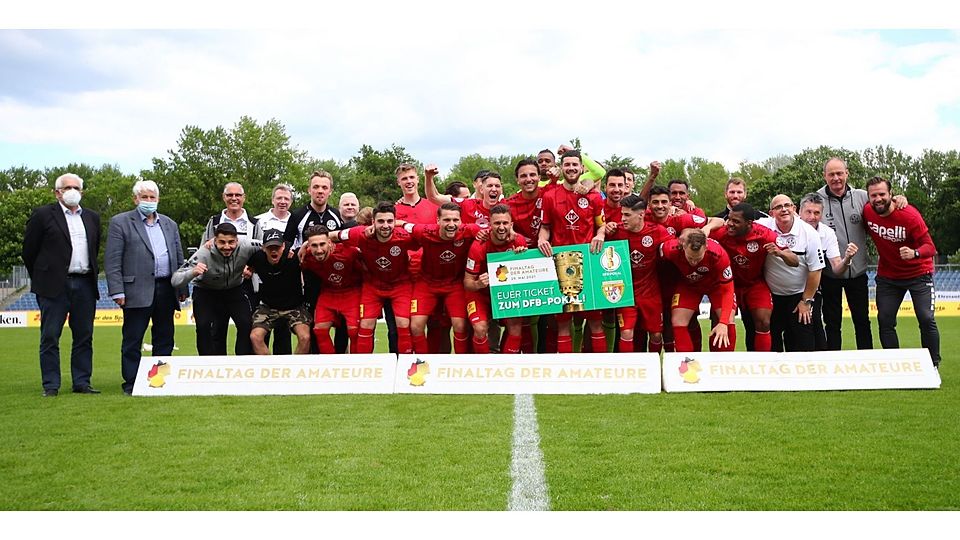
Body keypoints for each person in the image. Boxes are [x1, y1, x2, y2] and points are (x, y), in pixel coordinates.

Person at [105, 180, 188, 395]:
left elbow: (178, 258)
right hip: (135, 290)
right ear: (136, 199)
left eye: (152, 197)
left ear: (158, 199)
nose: (149, 201)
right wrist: (117, 290)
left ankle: (160, 381)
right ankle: (132, 382)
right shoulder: (120, 222)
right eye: (144, 197)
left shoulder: (169, 224)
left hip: (166, 288)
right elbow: (113, 260)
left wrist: (182, 287)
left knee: (165, 338)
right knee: (133, 339)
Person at [22, 173, 101, 396]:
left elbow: (94, 249)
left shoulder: (92, 217)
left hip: (84, 283)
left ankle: (82, 382)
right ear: (57, 192)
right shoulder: (43, 215)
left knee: (84, 336)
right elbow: (29, 251)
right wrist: (43, 276)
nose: (72, 191)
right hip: (53, 285)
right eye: (67, 187)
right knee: (50, 336)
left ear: (82, 192)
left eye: (76, 187)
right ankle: (51, 385)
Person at [816, 157, 907, 350]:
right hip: (829, 274)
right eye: (831, 174)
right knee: (832, 323)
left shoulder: (862, 196)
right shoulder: (816, 200)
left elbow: (883, 203)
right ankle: (832, 363)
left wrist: (899, 199)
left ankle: (866, 362)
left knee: (862, 322)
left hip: (857, 273)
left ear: (847, 173)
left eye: (839, 173)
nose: (836, 178)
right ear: (824, 176)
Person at [863, 176, 941, 367]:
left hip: (918, 274)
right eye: (873, 195)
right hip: (888, 276)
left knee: (926, 318)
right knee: (885, 320)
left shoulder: (909, 215)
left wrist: (915, 253)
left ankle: (933, 365)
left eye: (882, 194)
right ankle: (894, 365)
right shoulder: (867, 212)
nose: (878, 199)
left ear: (891, 194)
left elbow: (930, 247)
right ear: (868, 197)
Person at [537, 150, 607, 353]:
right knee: (563, 323)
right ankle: (567, 367)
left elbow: (601, 225)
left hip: (588, 263)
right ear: (561, 168)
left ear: (582, 168)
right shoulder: (550, 196)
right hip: (561, 263)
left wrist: (600, 235)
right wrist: (542, 239)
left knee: (595, 321)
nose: (571, 168)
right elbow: (545, 226)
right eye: (567, 165)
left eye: (575, 165)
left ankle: (601, 366)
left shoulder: (594, 197)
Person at [709, 203, 799, 352]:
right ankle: (720, 362)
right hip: (727, 284)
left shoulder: (764, 234)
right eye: (729, 219)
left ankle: (763, 362)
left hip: (754, 283)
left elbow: (794, 261)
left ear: (749, 223)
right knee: (722, 321)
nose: (730, 224)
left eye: (736, 221)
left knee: (764, 321)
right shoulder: (720, 233)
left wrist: (780, 253)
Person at [332, 202, 419, 354]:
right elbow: (334, 235)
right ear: (373, 222)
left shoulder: (405, 237)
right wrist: (307, 243)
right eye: (381, 221)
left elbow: (428, 234)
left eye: (389, 221)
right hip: (373, 286)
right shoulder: (360, 234)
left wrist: (404, 224)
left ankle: (405, 365)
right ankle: (365, 366)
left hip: (400, 285)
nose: (385, 225)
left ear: (395, 221)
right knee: (365, 325)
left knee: (403, 324)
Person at [404, 203, 483, 354]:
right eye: (446, 220)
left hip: (455, 284)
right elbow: (404, 225)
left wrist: (514, 238)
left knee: (460, 325)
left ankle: (460, 363)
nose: (451, 224)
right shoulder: (424, 231)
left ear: (461, 221)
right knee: (415, 326)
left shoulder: (470, 230)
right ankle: (422, 363)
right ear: (438, 220)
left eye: (455, 220)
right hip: (426, 283)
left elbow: (496, 232)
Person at [172, 223, 258, 356]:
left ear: (237, 240)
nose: (227, 247)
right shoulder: (204, 253)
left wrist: (253, 266)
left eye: (231, 242)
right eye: (222, 242)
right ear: (214, 241)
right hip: (206, 291)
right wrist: (193, 272)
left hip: (234, 289)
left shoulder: (247, 245)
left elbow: (268, 244)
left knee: (246, 323)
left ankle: (243, 360)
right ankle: (207, 362)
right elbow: (175, 279)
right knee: (203, 326)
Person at [284, 170, 345, 353]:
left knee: (342, 324)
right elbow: (286, 245)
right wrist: (300, 252)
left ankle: (340, 360)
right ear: (309, 190)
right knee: (315, 325)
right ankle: (316, 361)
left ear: (330, 191)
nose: (320, 191)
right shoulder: (297, 215)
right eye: (316, 187)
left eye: (324, 187)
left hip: (335, 280)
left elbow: (344, 244)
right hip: (309, 281)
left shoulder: (336, 215)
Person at [756, 195, 824, 352]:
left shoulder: (809, 233)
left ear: (794, 209)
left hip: (799, 295)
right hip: (772, 296)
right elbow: (740, 222)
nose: (784, 209)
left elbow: (816, 270)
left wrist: (806, 301)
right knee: (772, 345)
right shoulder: (762, 226)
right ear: (771, 213)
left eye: (787, 205)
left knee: (803, 345)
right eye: (778, 207)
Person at [605, 194, 673, 352]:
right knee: (626, 332)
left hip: (651, 293)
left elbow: (674, 247)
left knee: (656, 335)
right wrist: (603, 231)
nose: (623, 219)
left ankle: (654, 364)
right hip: (626, 293)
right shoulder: (617, 231)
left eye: (627, 215)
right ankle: (628, 367)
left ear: (641, 214)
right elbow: (600, 235)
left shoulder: (657, 231)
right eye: (622, 214)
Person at [464, 205, 529, 353]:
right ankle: (485, 364)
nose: (501, 227)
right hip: (481, 294)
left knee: (515, 326)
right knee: (480, 328)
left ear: (511, 224)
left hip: (506, 293)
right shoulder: (479, 245)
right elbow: (467, 283)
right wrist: (478, 284)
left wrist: (520, 257)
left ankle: (507, 364)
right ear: (490, 224)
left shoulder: (519, 241)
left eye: (505, 223)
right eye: (497, 223)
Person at [798, 193, 858, 350]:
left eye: (816, 213)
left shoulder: (827, 233)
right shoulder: (790, 227)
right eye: (808, 212)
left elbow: (837, 268)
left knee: (814, 323)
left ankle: (819, 359)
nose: (812, 217)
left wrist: (847, 259)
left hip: (811, 288)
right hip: (785, 287)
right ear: (799, 212)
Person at [659, 229, 736, 352]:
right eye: (690, 258)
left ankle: (724, 362)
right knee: (678, 321)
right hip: (689, 285)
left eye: (698, 258)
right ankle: (687, 362)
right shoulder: (670, 249)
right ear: (683, 246)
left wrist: (723, 323)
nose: (694, 262)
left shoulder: (719, 254)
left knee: (728, 320)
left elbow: (728, 290)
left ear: (705, 248)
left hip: (716, 287)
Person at [245, 230, 312, 355]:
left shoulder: (294, 256)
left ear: (284, 246)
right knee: (255, 337)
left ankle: (296, 365)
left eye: (277, 247)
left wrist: (304, 245)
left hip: (295, 306)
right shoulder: (257, 258)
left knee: (305, 337)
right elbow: (239, 252)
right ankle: (270, 365)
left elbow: (316, 242)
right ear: (263, 248)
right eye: (270, 248)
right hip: (268, 306)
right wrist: (245, 268)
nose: (274, 251)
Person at [300, 226, 363, 354]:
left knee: (354, 331)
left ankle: (357, 363)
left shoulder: (348, 252)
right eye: (314, 245)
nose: (319, 250)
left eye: (322, 244)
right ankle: (330, 363)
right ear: (309, 246)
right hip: (328, 292)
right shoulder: (306, 256)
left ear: (329, 242)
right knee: (319, 330)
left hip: (351, 292)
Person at [254, 183, 295, 355]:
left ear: (291, 202)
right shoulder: (259, 221)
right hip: (262, 281)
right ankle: (263, 366)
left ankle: (283, 366)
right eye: (279, 198)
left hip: (287, 283)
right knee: (262, 331)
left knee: (283, 333)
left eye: (286, 198)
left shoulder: (295, 221)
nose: (282, 201)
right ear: (272, 200)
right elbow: (253, 248)